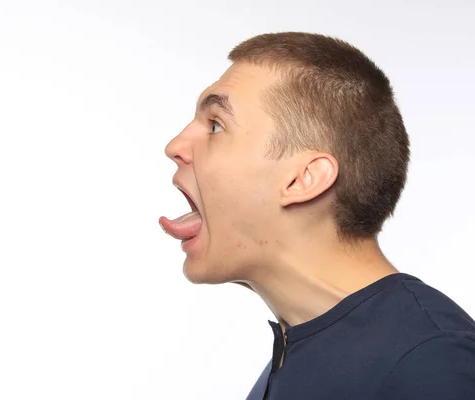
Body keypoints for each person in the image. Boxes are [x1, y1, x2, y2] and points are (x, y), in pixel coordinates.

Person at [158, 32, 475, 399]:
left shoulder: (431, 362)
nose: (175, 147)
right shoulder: (297, 349)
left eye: (215, 125)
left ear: (303, 179)